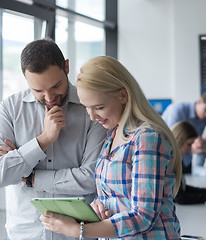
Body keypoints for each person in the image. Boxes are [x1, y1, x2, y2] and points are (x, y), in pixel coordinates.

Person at [39, 56, 182, 239]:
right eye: (86, 107)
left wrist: (77, 230)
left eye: (99, 107)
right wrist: (99, 205)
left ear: (123, 95)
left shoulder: (147, 138)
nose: (92, 116)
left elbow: (143, 217)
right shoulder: (112, 136)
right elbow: (116, 194)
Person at [0, 38, 106, 240]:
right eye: (38, 90)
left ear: (66, 66)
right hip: (25, 234)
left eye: (56, 85)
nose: (49, 98)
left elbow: (92, 178)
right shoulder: (9, 109)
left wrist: (30, 177)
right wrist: (43, 140)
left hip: (78, 234)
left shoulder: (91, 108)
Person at [162, 90, 206, 173]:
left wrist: (198, 145)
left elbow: (196, 140)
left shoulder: (202, 120)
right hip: (169, 160)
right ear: (200, 101)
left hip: (186, 160)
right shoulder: (177, 110)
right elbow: (174, 140)